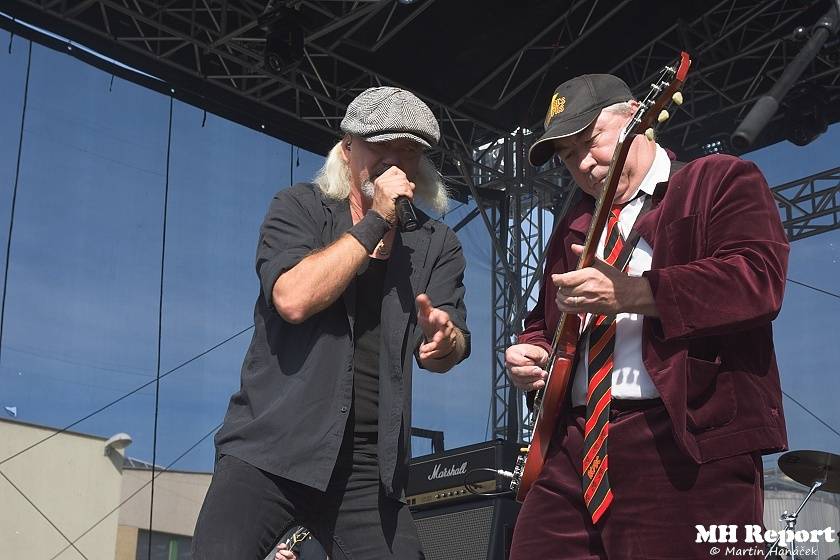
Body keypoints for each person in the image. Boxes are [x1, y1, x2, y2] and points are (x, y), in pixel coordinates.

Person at [505, 74, 789, 559]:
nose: (585, 163)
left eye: (590, 140)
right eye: (568, 157)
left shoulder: (718, 179)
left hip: (684, 440)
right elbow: (546, 316)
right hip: (572, 447)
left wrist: (635, 293)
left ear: (637, 116)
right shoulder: (573, 223)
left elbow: (757, 280)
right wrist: (532, 349)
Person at [192, 86, 470, 560]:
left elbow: (453, 342)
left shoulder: (437, 243)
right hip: (270, 448)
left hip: (367, 467)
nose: (395, 161)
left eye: (409, 150)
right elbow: (293, 298)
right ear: (347, 148)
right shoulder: (299, 208)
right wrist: (375, 220)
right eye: (381, 146)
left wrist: (446, 341)